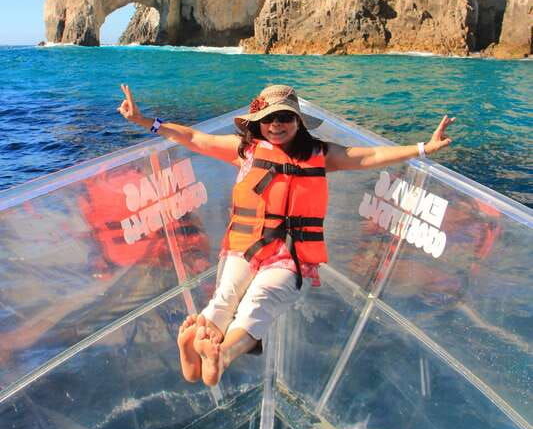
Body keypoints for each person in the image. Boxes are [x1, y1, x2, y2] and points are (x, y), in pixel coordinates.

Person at [117, 83, 455, 387]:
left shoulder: (321, 155)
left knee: (260, 298)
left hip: (290, 254)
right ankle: (200, 350)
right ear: (257, 122)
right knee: (226, 295)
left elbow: (371, 155)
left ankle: (215, 352)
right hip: (247, 246)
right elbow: (194, 138)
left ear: (298, 122)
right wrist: (145, 121)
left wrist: (422, 148)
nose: (276, 125)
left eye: (284, 118)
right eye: (268, 119)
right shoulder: (246, 150)